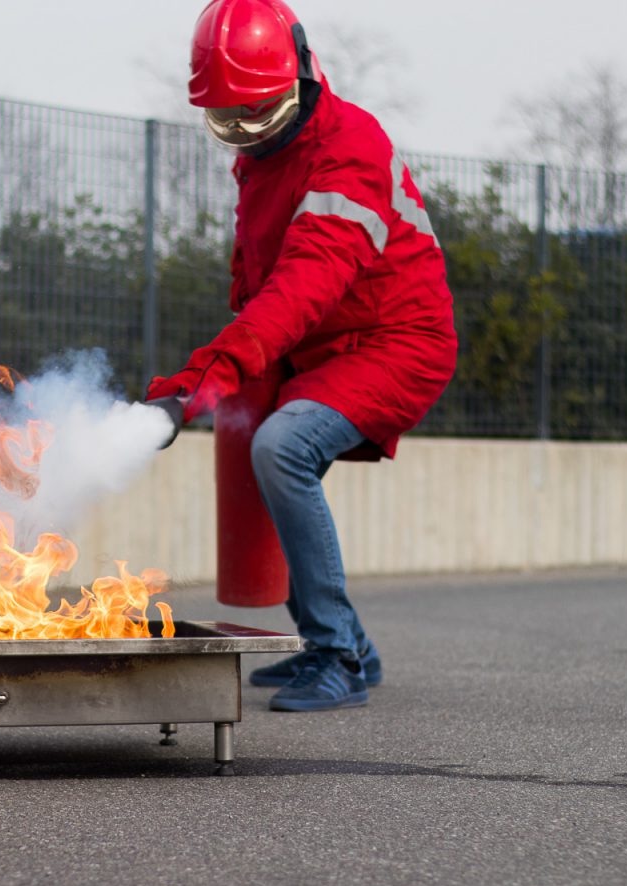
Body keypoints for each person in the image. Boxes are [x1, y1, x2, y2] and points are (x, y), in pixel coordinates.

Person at [146, 0, 457, 712]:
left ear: (303, 72)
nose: (246, 134)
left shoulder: (350, 148)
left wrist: (207, 381)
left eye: (258, 114)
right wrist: (185, 387)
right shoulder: (263, 160)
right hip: (319, 346)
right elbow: (255, 289)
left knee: (282, 446)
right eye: (228, 120)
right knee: (259, 439)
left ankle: (335, 655)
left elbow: (301, 287)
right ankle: (349, 643)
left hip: (396, 341)